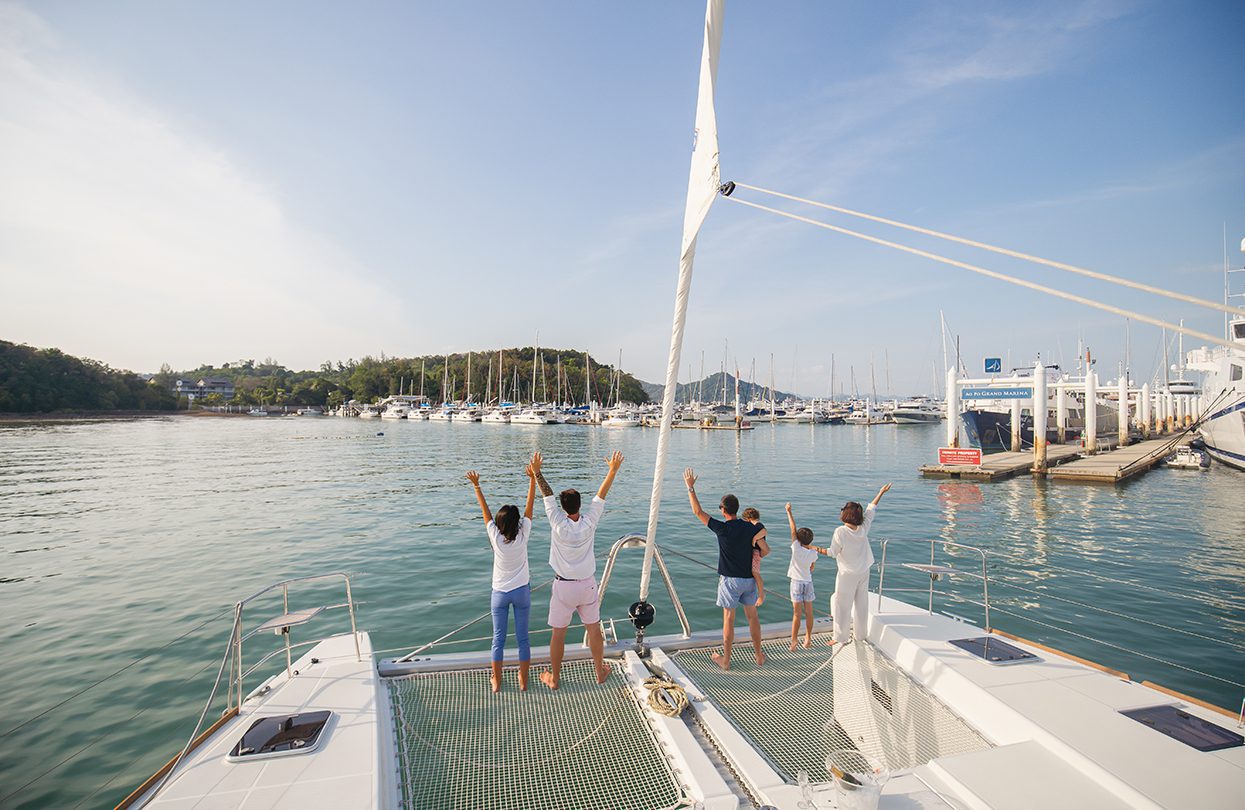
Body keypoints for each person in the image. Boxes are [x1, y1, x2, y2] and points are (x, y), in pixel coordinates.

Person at [530, 450, 624, 690]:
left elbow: (546, 494)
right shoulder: (590, 520)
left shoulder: (557, 522)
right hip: (587, 584)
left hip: (563, 586)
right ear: (580, 505)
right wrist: (612, 469)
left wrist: (537, 472)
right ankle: (600, 672)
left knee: (558, 634)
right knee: (594, 629)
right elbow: (602, 495)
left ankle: (555, 677)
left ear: (562, 507)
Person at [683, 468, 769, 670]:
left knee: (729, 620)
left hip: (730, 581)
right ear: (737, 509)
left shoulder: (721, 528)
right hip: (749, 580)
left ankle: (726, 661)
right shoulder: (751, 528)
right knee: (752, 618)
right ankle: (758, 655)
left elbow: (698, 512)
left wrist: (690, 487)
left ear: (723, 510)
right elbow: (764, 540)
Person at [466, 465, 536, 692]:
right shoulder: (523, 534)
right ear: (517, 523)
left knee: (498, 640)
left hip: (500, 594)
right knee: (523, 639)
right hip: (522, 593)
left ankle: (496, 681)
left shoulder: (496, 538)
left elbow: (484, 511)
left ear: (499, 524)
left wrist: (477, 485)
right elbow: (529, 507)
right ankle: (523, 680)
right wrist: (533, 479)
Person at [828, 483, 892, 646]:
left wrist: (814, 549)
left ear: (846, 514)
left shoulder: (840, 531)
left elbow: (833, 552)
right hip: (864, 571)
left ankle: (840, 637)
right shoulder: (863, 527)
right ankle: (861, 635)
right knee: (862, 604)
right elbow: (871, 509)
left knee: (842, 605)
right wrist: (881, 492)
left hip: (847, 574)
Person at [784, 502, 831, 650]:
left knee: (796, 614)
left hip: (797, 583)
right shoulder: (813, 553)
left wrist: (789, 512)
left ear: (798, 540)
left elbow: (792, 529)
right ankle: (808, 639)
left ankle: (794, 641)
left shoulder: (796, 549)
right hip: (808, 583)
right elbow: (812, 567)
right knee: (809, 613)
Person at [741, 507, 769, 606]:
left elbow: (764, 531)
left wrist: (754, 538)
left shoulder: (757, 525)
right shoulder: (757, 526)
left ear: (748, 519)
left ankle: (761, 594)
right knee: (754, 573)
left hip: (756, 552)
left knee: (755, 573)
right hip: (756, 552)